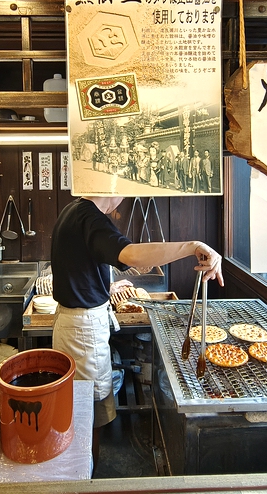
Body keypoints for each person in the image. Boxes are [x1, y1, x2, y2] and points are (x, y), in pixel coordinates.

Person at [50, 196, 223, 465]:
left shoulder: (72, 210)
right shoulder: (89, 216)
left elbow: (76, 269)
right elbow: (130, 254)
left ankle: (80, 470)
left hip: (74, 322)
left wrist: (105, 289)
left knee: (80, 403)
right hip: (82, 330)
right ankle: (85, 477)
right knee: (88, 410)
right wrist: (193, 246)